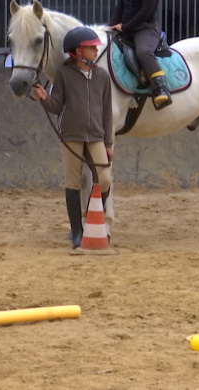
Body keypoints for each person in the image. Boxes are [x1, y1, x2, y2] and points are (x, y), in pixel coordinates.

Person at [32, 27, 114, 249]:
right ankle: (77, 231)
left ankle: (92, 216)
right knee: (73, 182)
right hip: (71, 135)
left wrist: (109, 143)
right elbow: (57, 107)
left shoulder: (102, 76)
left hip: (96, 135)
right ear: (78, 51)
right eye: (91, 47)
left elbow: (107, 112)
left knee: (104, 178)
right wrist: (44, 98)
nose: (96, 50)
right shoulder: (65, 75)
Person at [109, 0, 172, 110]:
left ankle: (161, 88)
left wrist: (125, 27)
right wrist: (111, 26)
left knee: (143, 51)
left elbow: (145, 12)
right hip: (126, 28)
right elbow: (119, 8)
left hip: (145, 29)